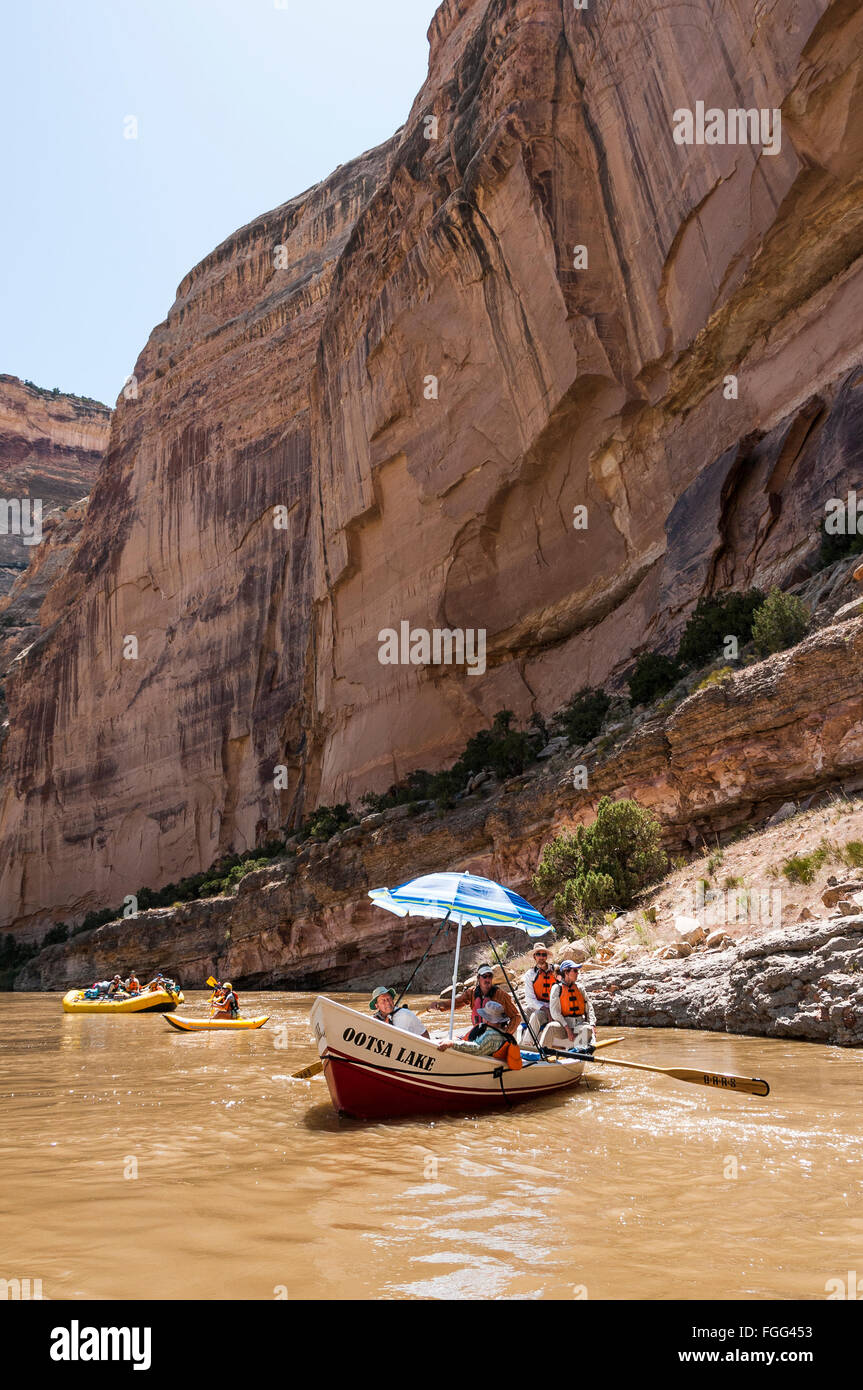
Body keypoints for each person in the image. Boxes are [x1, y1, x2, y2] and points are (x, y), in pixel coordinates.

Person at [431, 963, 520, 1034]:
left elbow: (516, 1016)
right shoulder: (471, 993)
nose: (487, 979)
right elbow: (456, 1003)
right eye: (484, 976)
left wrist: (507, 1035)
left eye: (490, 976)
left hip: (498, 1033)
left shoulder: (501, 995)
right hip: (480, 1031)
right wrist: (440, 1005)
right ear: (478, 978)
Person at [436, 1000, 522, 1069]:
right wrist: (457, 1038)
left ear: (487, 1019)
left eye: (484, 1016)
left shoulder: (491, 1036)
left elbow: (475, 1048)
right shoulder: (503, 1033)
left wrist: (452, 1044)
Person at [549, 960, 596, 1050]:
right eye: (574, 971)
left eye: (577, 971)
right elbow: (555, 1012)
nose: (577, 973)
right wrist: (567, 1029)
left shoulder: (580, 988)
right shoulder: (557, 988)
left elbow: (589, 1007)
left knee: (587, 1028)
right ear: (566, 972)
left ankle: (579, 1052)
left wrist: (592, 1024)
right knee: (550, 1027)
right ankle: (541, 1054)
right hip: (564, 1025)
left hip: (579, 1024)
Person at [522, 943, 558, 1043]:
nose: (541, 957)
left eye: (544, 954)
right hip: (540, 1007)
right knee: (519, 1012)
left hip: (553, 1007)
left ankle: (528, 1045)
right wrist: (545, 1009)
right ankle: (514, 1041)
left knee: (536, 1015)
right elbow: (529, 999)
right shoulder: (530, 974)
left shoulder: (556, 970)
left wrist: (549, 1010)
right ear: (534, 956)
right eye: (538, 954)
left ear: (546, 957)